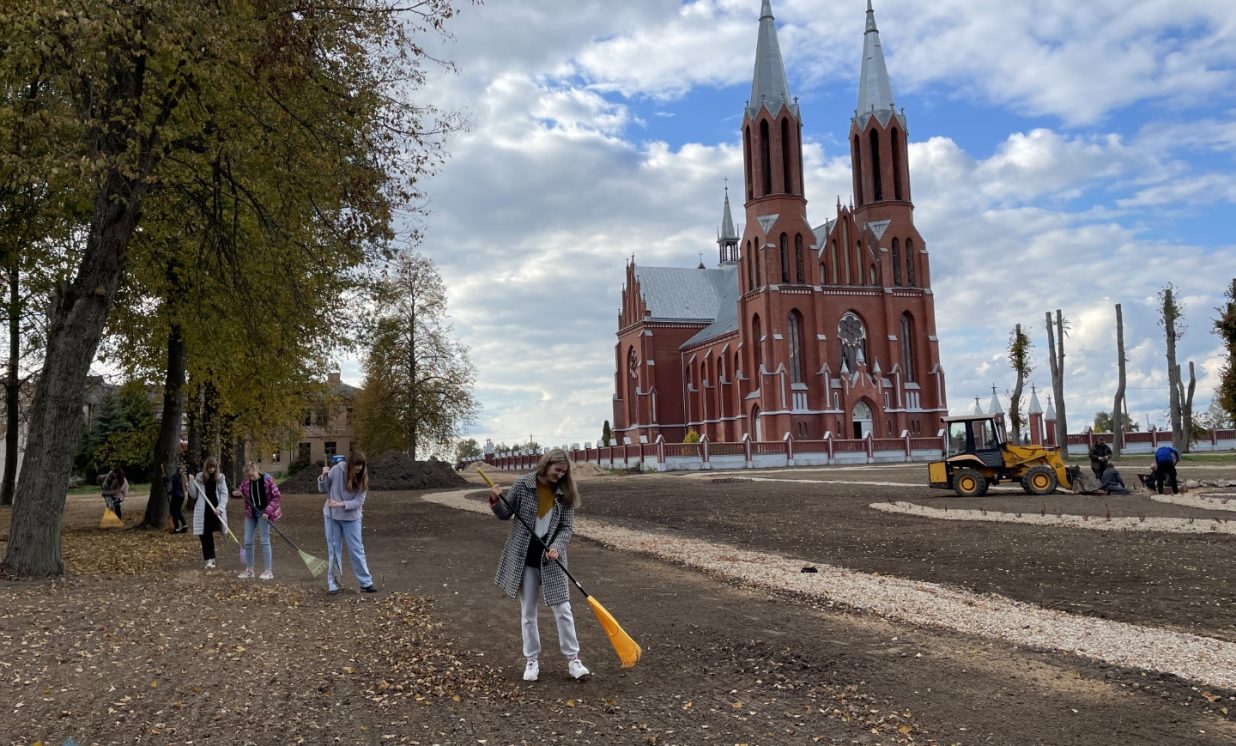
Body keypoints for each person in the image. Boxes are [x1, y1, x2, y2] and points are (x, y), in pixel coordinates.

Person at [488, 448, 591, 682]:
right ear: (547, 465)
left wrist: (557, 546)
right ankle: (532, 660)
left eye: (563, 472)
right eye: (557, 470)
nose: (560, 475)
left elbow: (566, 527)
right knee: (528, 612)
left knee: (563, 609)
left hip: (552, 559)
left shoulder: (565, 491)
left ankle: (574, 660)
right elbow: (505, 513)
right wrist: (495, 499)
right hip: (525, 558)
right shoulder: (523, 484)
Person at [318, 450, 376, 595]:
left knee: (356, 549)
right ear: (350, 463)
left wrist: (340, 504)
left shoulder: (363, 478)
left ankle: (365, 583)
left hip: (351, 518)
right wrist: (323, 476)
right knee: (334, 550)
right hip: (332, 516)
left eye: (361, 465)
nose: (358, 468)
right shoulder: (337, 469)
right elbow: (324, 489)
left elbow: (358, 502)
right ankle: (334, 583)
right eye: (356, 465)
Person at [233, 462, 283, 580]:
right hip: (251, 513)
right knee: (248, 541)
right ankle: (249, 570)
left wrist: (267, 512)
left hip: (264, 513)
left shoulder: (268, 480)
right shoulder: (246, 482)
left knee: (264, 540)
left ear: (257, 470)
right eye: (248, 476)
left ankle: (268, 571)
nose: (250, 478)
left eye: (252, 475)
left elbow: (277, 497)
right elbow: (240, 491)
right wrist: (235, 493)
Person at [190, 457, 230, 570]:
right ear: (206, 467)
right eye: (209, 467)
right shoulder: (199, 477)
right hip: (203, 510)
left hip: (215, 510)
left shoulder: (220, 478)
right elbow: (194, 495)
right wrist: (191, 483)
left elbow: (224, 494)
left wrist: (220, 509)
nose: (211, 469)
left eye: (213, 467)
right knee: (204, 535)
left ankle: (211, 558)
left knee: (209, 534)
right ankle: (208, 559)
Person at [168, 464, 188, 533]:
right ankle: (185, 526)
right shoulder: (183, 477)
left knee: (173, 511)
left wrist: (164, 478)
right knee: (178, 511)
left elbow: (169, 480)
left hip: (176, 496)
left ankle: (176, 528)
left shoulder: (176, 475)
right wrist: (170, 492)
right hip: (181, 496)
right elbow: (177, 487)